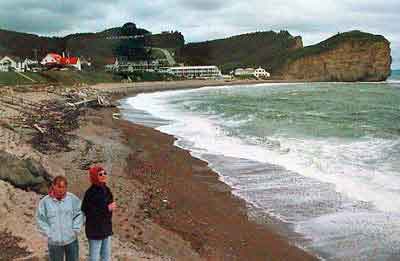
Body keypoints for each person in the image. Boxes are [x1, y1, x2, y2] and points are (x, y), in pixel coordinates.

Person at [36, 175, 83, 261]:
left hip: (71, 240)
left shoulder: (72, 198)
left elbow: (79, 213)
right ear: (53, 186)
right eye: (59, 187)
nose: (62, 190)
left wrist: (75, 229)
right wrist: (50, 234)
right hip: (54, 243)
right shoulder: (45, 202)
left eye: (64, 187)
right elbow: (41, 219)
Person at [81, 166, 116, 261]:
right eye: (100, 174)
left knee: (106, 256)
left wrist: (111, 207)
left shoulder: (106, 189)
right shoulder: (90, 193)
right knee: (94, 257)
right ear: (94, 176)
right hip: (95, 230)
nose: (103, 175)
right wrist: (107, 208)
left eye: (105, 173)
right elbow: (87, 211)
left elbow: (109, 204)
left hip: (106, 228)